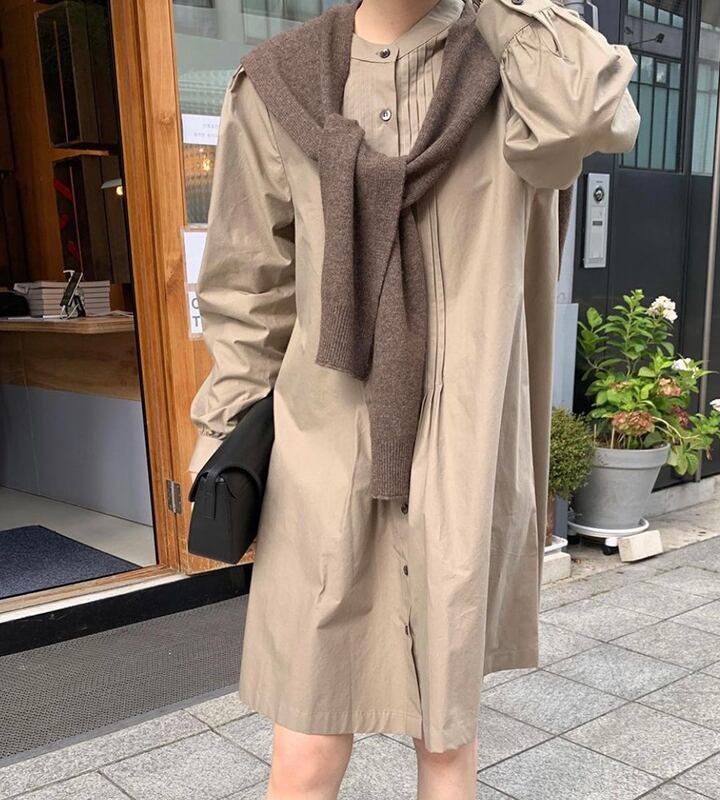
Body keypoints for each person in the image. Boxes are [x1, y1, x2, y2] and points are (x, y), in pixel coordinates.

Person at [187, 0, 640, 797]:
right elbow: (248, 291)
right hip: (321, 450)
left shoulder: (516, 70)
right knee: (304, 747)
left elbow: (591, 108)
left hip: (463, 451)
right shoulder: (277, 82)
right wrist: (224, 446)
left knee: (445, 745)